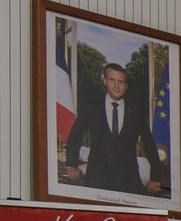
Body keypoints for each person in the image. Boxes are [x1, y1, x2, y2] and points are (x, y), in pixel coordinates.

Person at [61, 63, 164, 195]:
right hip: (96, 181)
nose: (116, 85)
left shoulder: (136, 111)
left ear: (126, 86)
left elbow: (149, 143)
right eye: (112, 80)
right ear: (105, 81)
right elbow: (76, 135)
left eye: (120, 81)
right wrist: (71, 165)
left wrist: (155, 177)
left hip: (128, 182)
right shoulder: (92, 106)